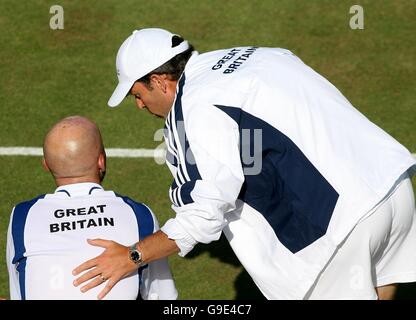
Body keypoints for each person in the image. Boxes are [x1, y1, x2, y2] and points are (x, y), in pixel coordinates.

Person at [72, 28, 416, 300]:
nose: (140, 106)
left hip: (341, 230)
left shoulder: (191, 110)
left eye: (137, 94)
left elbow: (204, 216)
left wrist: (132, 256)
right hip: (391, 188)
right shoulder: (259, 54)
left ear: (160, 81)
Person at [6, 115, 177, 300]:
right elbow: (163, 297)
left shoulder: (21, 217)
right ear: (101, 160)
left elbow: (19, 290)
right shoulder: (139, 215)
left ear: (46, 165)